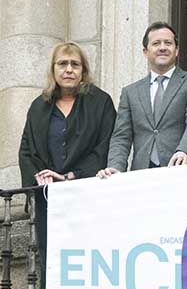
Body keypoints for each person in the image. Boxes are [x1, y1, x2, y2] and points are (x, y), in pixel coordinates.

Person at [19, 42, 117, 275]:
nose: (69, 70)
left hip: (88, 195)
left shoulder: (100, 102)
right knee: (52, 265)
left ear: (83, 70)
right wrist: (41, 176)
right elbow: (26, 150)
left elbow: (105, 147)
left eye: (75, 64)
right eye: (62, 64)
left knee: (88, 263)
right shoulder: (38, 107)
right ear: (53, 70)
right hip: (49, 200)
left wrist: (70, 176)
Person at [98, 21, 187, 177]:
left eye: (168, 43)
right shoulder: (130, 92)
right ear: (145, 51)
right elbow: (121, 136)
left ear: (176, 50)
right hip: (142, 175)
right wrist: (115, 167)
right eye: (156, 43)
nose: (162, 47)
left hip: (181, 170)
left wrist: (184, 150)